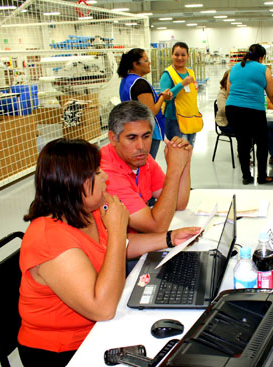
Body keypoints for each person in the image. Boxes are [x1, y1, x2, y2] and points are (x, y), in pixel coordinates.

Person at [18, 139, 199, 367]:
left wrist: (168, 238)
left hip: (99, 327)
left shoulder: (85, 212)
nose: (105, 177)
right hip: (66, 351)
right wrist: (116, 230)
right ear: (73, 183)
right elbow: (101, 309)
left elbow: (117, 246)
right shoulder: (50, 239)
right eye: (96, 172)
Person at [100, 101, 191, 234]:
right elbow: (156, 227)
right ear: (113, 138)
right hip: (120, 251)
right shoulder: (106, 173)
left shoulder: (141, 158)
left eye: (146, 136)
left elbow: (179, 203)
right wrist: (174, 169)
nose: (141, 146)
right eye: (132, 138)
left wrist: (185, 160)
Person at [225, 43, 273, 185]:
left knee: (243, 144)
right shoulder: (263, 69)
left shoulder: (234, 68)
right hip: (253, 111)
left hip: (232, 109)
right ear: (261, 58)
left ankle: (246, 177)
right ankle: (262, 177)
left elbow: (228, 91)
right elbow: (272, 95)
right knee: (262, 144)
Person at [117, 48, 173, 159]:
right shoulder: (140, 84)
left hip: (133, 129)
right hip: (146, 132)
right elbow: (151, 111)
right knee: (146, 165)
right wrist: (163, 97)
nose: (149, 62)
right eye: (146, 60)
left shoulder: (126, 81)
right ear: (135, 64)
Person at [160, 42, 202, 146]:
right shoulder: (167, 74)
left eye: (183, 55)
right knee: (178, 154)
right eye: (176, 54)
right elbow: (165, 98)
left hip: (191, 118)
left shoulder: (190, 72)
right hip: (175, 120)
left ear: (188, 56)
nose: (180, 58)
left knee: (188, 151)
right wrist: (181, 84)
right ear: (172, 55)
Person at [215, 69, 232, 134]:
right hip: (225, 123)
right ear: (225, 81)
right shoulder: (222, 93)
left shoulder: (236, 92)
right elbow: (222, 110)